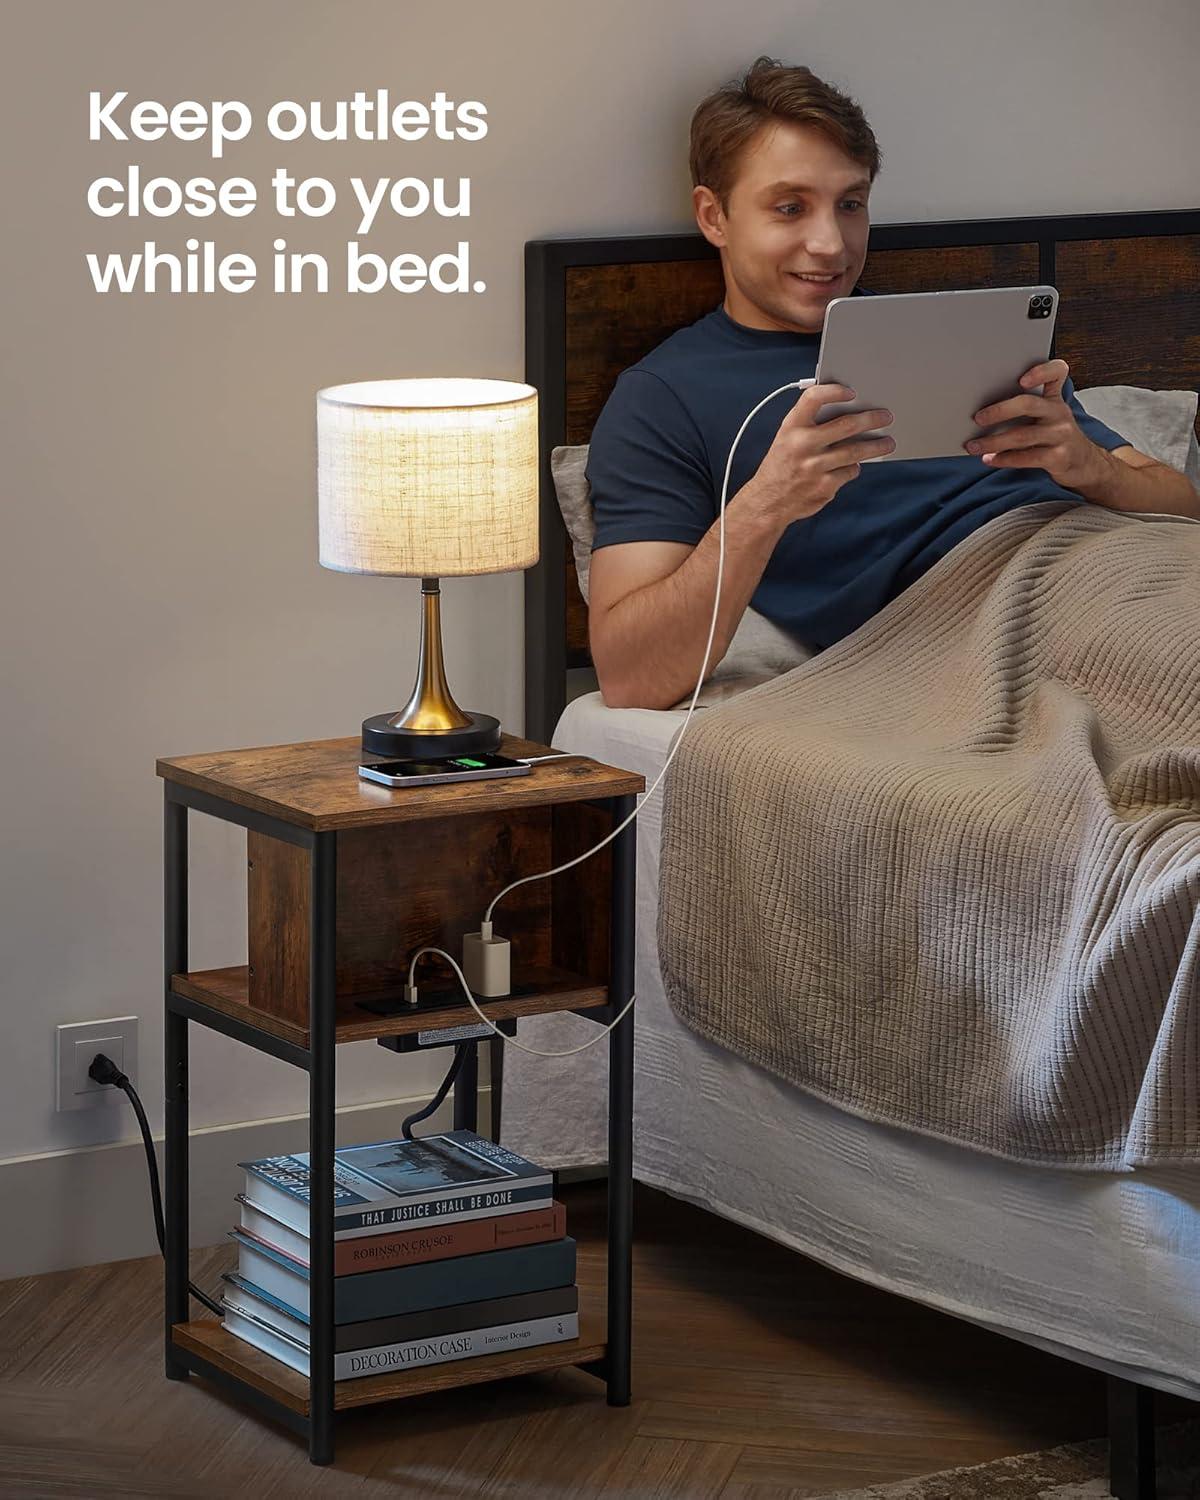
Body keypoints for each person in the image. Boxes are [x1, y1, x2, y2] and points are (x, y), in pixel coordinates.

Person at [587, 56, 1199, 711]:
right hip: (978, 624)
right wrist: (765, 504)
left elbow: (1183, 506)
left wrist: (1091, 467)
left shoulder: (962, 333)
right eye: (790, 208)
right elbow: (629, 676)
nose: (830, 244)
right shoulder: (662, 397)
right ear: (714, 217)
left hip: (1128, 563)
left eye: (850, 205)